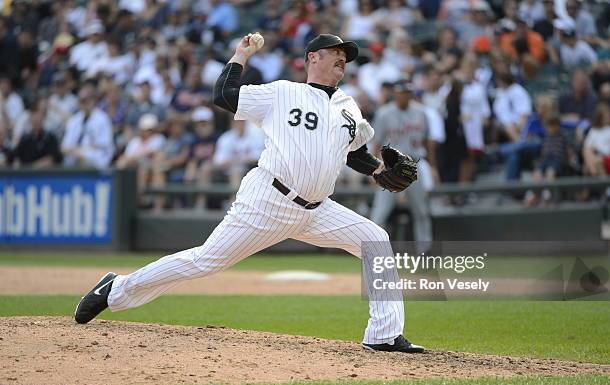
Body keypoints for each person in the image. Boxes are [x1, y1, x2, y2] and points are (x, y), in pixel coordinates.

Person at [74, 33, 425, 353]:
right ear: (312, 58)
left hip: (317, 210)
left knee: (375, 239)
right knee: (205, 261)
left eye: (346, 55)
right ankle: (116, 289)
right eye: (335, 52)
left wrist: (379, 169)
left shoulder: (349, 106)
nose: (342, 58)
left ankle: (383, 334)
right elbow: (224, 95)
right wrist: (241, 54)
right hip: (268, 202)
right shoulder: (283, 92)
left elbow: (352, 153)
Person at [370, 81, 432, 254]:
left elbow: (428, 142)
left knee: (421, 212)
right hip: (390, 168)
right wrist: (374, 170)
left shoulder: (421, 112)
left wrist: (432, 169)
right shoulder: (384, 113)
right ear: (395, 94)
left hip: (414, 168)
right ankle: (375, 252)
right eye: (402, 92)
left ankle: (424, 251)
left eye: (408, 92)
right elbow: (376, 144)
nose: (405, 95)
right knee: (380, 213)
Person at [61, 85, 114, 169]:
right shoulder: (74, 120)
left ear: (93, 101)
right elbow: (65, 147)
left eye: (86, 100)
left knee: (88, 155)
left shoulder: (102, 119)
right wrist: (76, 151)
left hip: (96, 158)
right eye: (81, 101)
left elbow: (103, 145)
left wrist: (81, 150)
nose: (84, 104)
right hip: (75, 157)